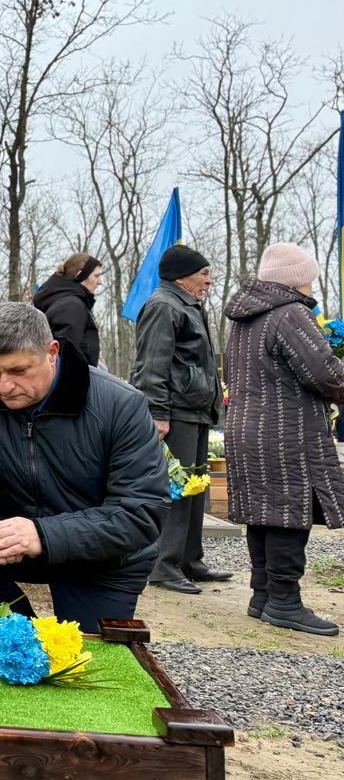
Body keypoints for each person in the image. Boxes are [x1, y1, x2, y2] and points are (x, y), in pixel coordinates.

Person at [0, 303, 168, 632]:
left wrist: (43, 534)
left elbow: (141, 511)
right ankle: (17, 635)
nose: (4, 386)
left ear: (52, 352)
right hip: (18, 542)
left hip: (102, 555)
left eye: (18, 371)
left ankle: (42, 643)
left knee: (84, 664)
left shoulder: (119, 404)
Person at [224, 243, 342, 635]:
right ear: (295, 278)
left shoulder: (246, 317)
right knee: (290, 514)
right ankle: (285, 601)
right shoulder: (291, 313)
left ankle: (263, 595)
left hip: (246, 428)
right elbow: (325, 374)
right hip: (285, 431)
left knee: (264, 512)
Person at [129, 244, 230, 594]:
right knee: (175, 490)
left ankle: (189, 559)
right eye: (204, 273)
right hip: (175, 411)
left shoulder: (186, 305)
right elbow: (152, 363)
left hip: (195, 410)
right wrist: (157, 411)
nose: (209, 280)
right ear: (183, 275)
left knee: (196, 489)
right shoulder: (163, 305)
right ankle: (162, 564)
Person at [33, 253, 102, 367]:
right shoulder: (72, 306)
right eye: (96, 276)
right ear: (80, 275)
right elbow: (64, 358)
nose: (100, 281)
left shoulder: (66, 301)